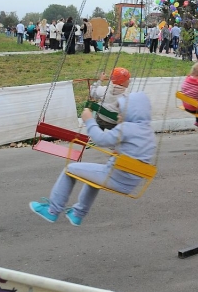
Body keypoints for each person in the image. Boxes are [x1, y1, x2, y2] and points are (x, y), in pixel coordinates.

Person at [29, 92, 157, 226]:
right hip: (129, 184)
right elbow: (134, 150)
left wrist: (89, 120)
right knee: (93, 178)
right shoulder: (148, 132)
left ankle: (52, 211)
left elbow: (101, 140)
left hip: (113, 177)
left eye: (121, 112)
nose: (118, 116)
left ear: (132, 112)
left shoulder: (127, 128)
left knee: (69, 169)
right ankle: (77, 214)